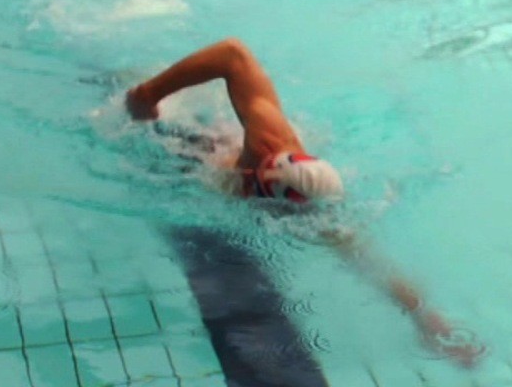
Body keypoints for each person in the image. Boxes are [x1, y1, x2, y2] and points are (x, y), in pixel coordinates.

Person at [125, 38, 483, 366]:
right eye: (264, 163)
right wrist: (148, 93)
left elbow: (371, 263)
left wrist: (428, 322)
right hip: (201, 143)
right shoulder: (268, 137)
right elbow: (232, 53)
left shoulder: (310, 216)